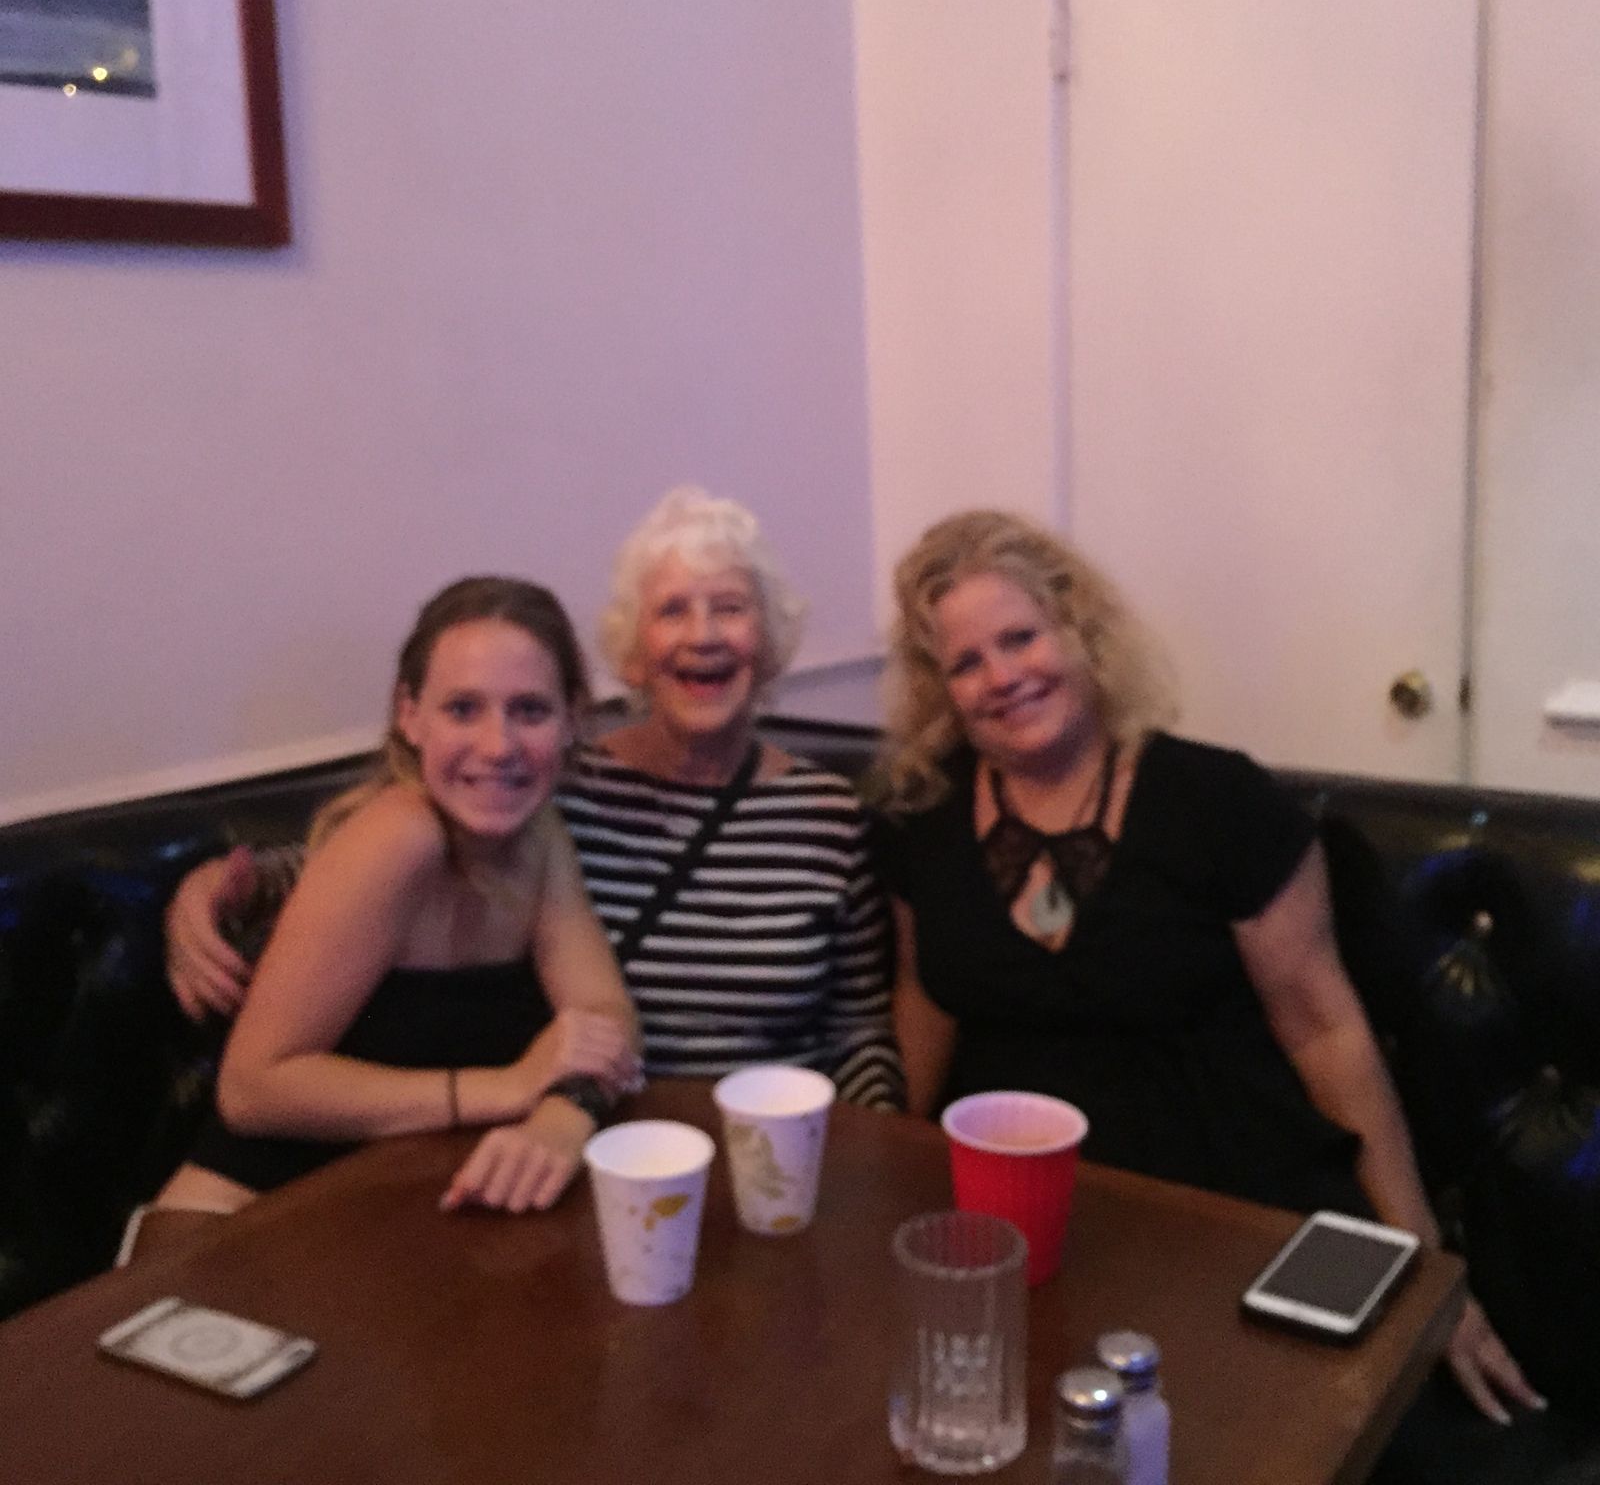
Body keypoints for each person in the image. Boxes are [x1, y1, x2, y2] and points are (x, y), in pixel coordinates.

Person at [872, 508, 1541, 1429]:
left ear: (1081, 632)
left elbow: (1325, 1030)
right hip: (1023, 1220)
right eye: (966, 662)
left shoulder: (1218, 800)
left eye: (1021, 638)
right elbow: (924, 1001)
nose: (1002, 677)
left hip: (1225, 1195)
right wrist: (883, 1185)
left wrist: (1423, 1265)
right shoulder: (923, 822)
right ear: (941, 690)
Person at [164, 488, 904, 1111]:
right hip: (594, 1137)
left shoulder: (827, 813)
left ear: (768, 639)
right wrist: (218, 887)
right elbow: (372, 862)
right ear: (633, 650)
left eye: (731, 608)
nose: (702, 635)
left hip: (772, 1146)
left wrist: (870, 1145)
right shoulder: (553, 782)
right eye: (673, 610)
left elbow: (859, 1032)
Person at [149, 577, 640, 1228]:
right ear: (410, 716)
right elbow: (250, 1089)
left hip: (385, 1219)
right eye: (462, 709)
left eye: (530, 710)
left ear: (572, 719)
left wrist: (561, 1116)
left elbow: (606, 1014)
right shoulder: (400, 834)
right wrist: (506, 1087)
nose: (499, 746)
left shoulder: (539, 836)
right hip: (237, 1223)